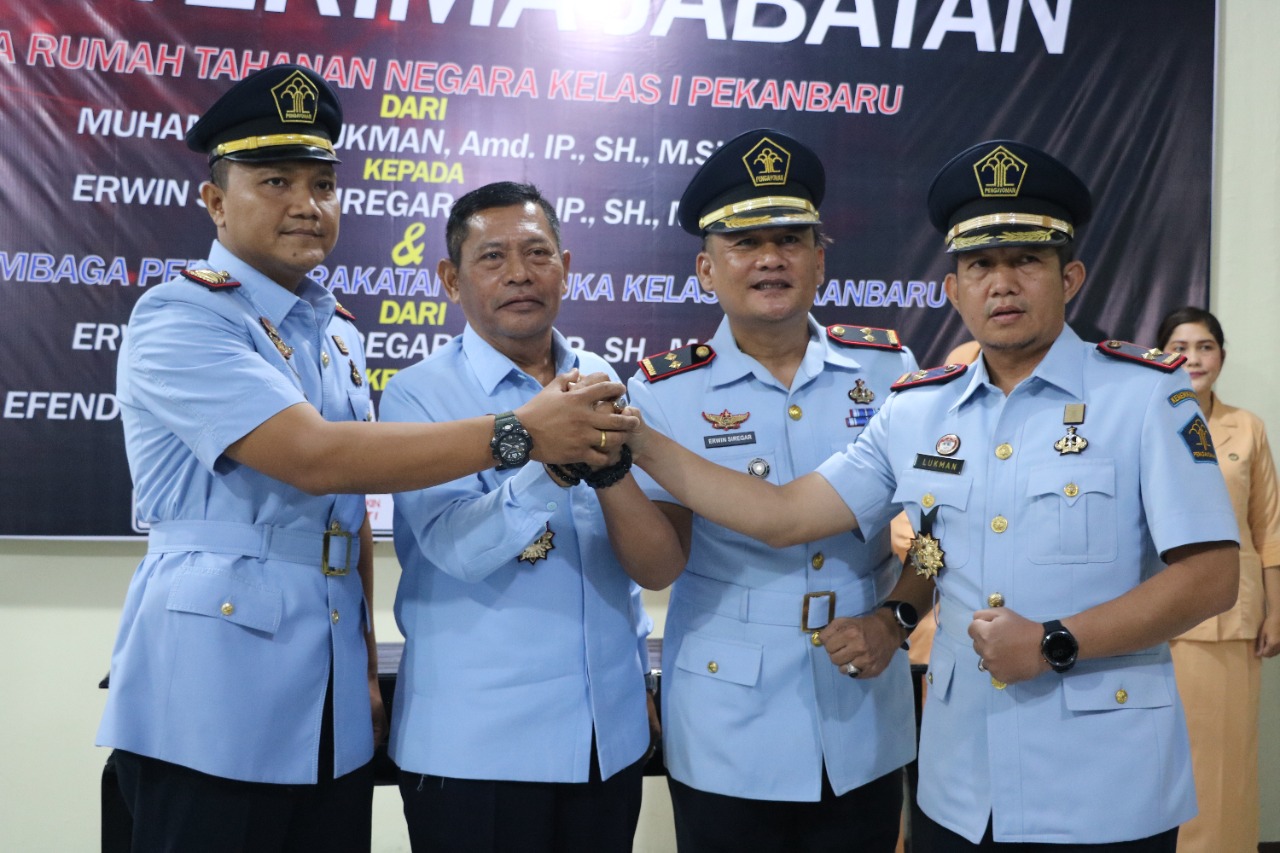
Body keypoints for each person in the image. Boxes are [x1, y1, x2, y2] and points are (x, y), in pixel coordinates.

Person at [627, 138, 1241, 850]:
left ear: (1070, 276)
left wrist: (1055, 641)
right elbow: (784, 514)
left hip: (1101, 775)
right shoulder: (918, 409)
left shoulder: (1143, 393)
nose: (1002, 284)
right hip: (961, 782)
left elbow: (1212, 575)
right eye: (980, 264)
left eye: (1026, 261)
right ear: (951, 289)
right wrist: (639, 439)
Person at [96, 67, 634, 853]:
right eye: (275, 180)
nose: (306, 203)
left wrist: (357, 670)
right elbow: (315, 458)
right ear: (215, 201)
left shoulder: (337, 332)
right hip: (210, 695)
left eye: (321, 182)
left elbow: (347, 513)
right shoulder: (183, 315)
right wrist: (523, 434)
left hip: (329, 696)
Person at [626, 128, 926, 853]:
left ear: (821, 258)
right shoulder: (663, 392)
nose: (770, 258)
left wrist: (896, 618)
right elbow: (661, 558)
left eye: (790, 238)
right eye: (745, 242)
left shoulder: (889, 369)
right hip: (731, 715)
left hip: (865, 696)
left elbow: (944, 531)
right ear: (706, 268)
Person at [380, 181, 686, 853]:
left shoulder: (603, 378)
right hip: (476, 748)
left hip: (606, 743)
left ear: (567, 267)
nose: (519, 273)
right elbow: (455, 548)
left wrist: (636, 681)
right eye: (492, 258)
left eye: (537, 252)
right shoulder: (418, 394)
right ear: (450, 280)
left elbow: (650, 568)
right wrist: (544, 457)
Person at [1156, 306, 1280, 853]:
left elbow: (1268, 527)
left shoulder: (1247, 427)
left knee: (1225, 760)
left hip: (1231, 618)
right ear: (1160, 356)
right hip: (1153, 615)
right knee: (1161, 759)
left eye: (1205, 346)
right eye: (1179, 345)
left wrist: (1276, 610)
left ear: (1221, 357)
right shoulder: (1145, 419)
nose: (1193, 357)